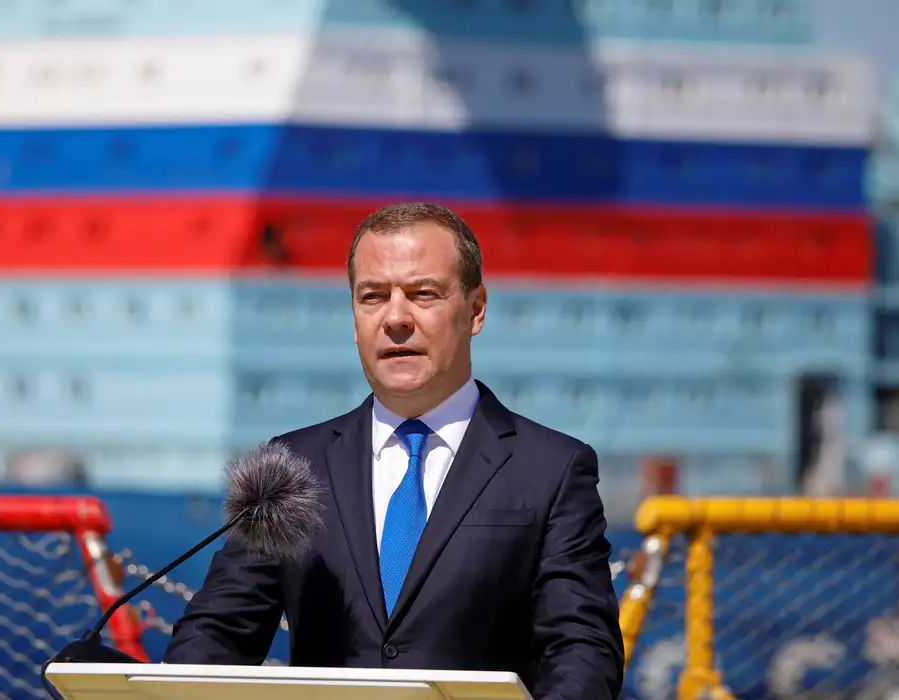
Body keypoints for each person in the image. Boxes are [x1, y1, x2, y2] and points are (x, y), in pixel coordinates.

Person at [163, 202, 625, 699]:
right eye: (373, 297)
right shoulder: (290, 468)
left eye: (423, 294)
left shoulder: (551, 470)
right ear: (354, 317)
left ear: (476, 309)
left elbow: (582, 652)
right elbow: (216, 637)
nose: (396, 318)